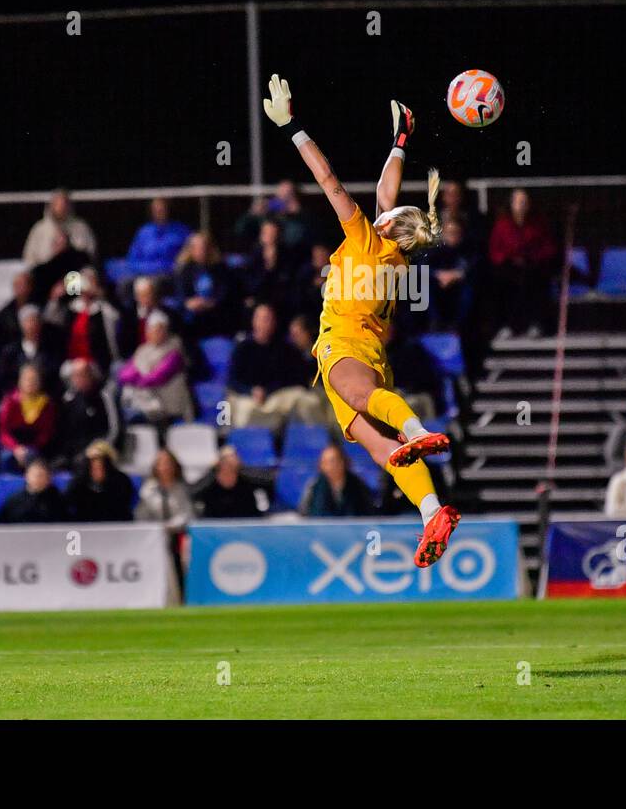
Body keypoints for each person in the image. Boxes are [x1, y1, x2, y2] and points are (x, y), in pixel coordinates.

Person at [261, 72, 456, 567]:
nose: (378, 211)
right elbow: (388, 196)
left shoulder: (368, 238)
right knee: (378, 451)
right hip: (370, 351)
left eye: (382, 214)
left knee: (370, 412)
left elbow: (328, 180)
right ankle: (431, 511)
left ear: (386, 224)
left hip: (344, 343)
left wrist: (291, 126)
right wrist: (401, 142)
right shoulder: (397, 257)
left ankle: (415, 429)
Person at [225, 303, 314, 428]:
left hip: (275, 395)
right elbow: (232, 381)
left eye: (268, 319)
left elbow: (292, 378)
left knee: (305, 399)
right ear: (254, 321)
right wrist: (251, 391)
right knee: (244, 409)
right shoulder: (242, 348)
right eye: (261, 318)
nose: (265, 323)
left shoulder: (283, 348)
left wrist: (268, 390)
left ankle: (319, 438)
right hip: (248, 397)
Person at [487, 188, 557, 337]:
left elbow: (548, 247)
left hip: (532, 266)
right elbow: (495, 250)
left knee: (536, 282)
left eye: (524, 201)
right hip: (508, 267)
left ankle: (535, 324)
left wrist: (531, 257)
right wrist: (508, 258)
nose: (522, 204)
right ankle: (507, 325)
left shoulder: (538, 223)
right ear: (511, 204)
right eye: (518, 201)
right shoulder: (502, 224)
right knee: (500, 284)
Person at [118, 310, 194, 424]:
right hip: (145, 400)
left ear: (166, 331)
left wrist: (138, 379)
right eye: (151, 330)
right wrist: (140, 378)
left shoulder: (175, 351)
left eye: (159, 330)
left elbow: (156, 378)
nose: (155, 333)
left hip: (167, 403)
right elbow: (124, 375)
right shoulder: (143, 350)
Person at [43, 267, 121, 377]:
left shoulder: (103, 308)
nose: (86, 285)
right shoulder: (71, 308)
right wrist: (55, 299)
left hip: (96, 363)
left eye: (90, 281)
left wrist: (100, 294)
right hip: (71, 361)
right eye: (84, 281)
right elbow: (49, 320)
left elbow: (116, 317)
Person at [56, 358, 120, 468]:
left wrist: (97, 448)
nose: (78, 379)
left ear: (91, 376)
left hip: (99, 451)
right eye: (75, 376)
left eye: (82, 375)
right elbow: (63, 432)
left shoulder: (104, 397)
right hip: (75, 453)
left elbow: (114, 431)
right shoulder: (68, 399)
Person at [171, 232, 233, 339]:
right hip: (192, 313)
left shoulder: (220, 268)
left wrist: (209, 303)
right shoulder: (184, 270)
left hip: (215, 312)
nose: (201, 251)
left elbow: (224, 292)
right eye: (197, 248)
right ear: (190, 250)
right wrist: (189, 303)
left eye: (204, 247)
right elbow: (180, 294)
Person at [0, 363, 58, 472]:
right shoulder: (10, 401)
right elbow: (4, 431)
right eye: (27, 379)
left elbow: (46, 432)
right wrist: (16, 448)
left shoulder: (46, 404)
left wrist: (31, 448)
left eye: (34, 380)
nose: (30, 383)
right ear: (20, 381)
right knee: (6, 458)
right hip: (12, 445)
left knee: (33, 457)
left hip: (36, 446)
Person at [0, 304, 62, 395]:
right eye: (28, 321)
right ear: (21, 324)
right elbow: (5, 379)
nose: (32, 325)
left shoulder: (51, 350)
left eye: (35, 321)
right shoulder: (10, 352)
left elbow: (53, 376)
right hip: (17, 398)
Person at [22, 188, 98, 267]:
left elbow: (90, 254)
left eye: (64, 204)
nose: (61, 208)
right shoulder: (39, 229)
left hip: (73, 273)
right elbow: (29, 257)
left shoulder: (81, 227)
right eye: (57, 204)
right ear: (51, 205)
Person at [298, 443, 376, 517]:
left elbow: (366, 513)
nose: (329, 466)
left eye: (332, 461)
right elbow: (306, 513)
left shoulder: (358, 485)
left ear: (342, 462)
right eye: (324, 462)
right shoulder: (314, 486)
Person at [63, 440, 134, 522]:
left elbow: (122, 507)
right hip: (85, 525)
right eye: (92, 459)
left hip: (115, 524)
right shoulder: (79, 481)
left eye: (100, 458)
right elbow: (69, 502)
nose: (96, 463)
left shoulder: (122, 481)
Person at [192, 446, 270, 518]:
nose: (230, 463)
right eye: (226, 460)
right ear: (219, 463)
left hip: (246, 521)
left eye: (233, 457)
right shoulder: (209, 481)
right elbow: (192, 493)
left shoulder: (247, 478)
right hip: (215, 522)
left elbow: (268, 482)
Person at [126, 197, 192, 278]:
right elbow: (132, 260)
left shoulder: (181, 230)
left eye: (162, 209)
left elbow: (190, 249)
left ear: (168, 209)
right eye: (156, 209)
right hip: (144, 274)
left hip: (168, 274)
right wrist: (146, 270)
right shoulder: (144, 231)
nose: (159, 212)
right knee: (125, 284)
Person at [134, 449, 194, 529]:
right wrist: (156, 528)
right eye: (162, 464)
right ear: (156, 467)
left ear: (175, 466)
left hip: (180, 532)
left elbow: (187, 514)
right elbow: (141, 515)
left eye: (169, 464)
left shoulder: (183, 488)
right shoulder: (148, 489)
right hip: (153, 533)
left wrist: (169, 527)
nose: (166, 467)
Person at [0, 457, 67, 523]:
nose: (37, 479)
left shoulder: (57, 500)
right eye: (34, 475)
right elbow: (2, 523)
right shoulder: (15, 501)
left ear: (48, 478)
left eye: (41, 475)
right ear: (26, 475)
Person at [0, 269, 36, 354]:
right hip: (12, 356)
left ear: (30, 286)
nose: (21, 288)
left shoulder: (39, 308)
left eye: (24, 284)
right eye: (18, 285)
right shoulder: (4, 314)